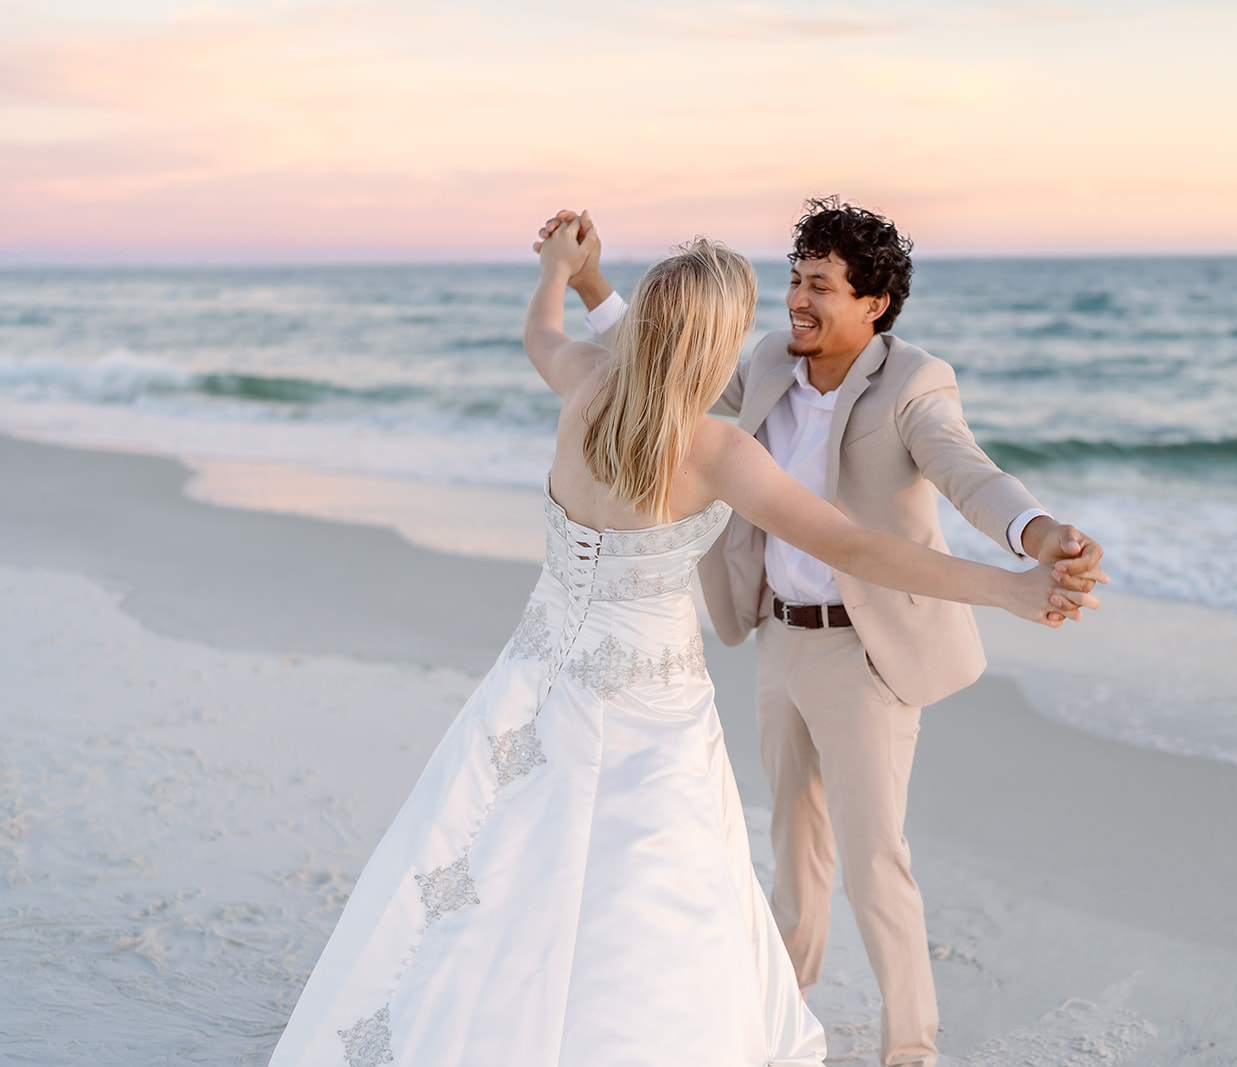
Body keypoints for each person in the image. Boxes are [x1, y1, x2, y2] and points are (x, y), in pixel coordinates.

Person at [268, 221, 1092, 1066]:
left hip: (545, 672)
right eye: (775, 296)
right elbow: (849, 545)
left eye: (817, 285)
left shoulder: (587, 384)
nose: (788, 309)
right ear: (714, 338)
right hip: (669, 697)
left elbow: (540, 336)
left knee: (511, 848)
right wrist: (1012, 593)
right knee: (666, 877)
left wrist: (563, 272)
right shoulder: (715, 448)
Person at [537, 198, 1108, 1067]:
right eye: (795, 280)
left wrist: (1038, 537)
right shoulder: (769, 359)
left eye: (821, 287)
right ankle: (778, 1023)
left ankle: (910, 1047)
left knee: (876, 860)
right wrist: (592, 285)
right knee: (793, 855)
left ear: (874, 302)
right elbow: (658, 370)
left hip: (865, 652)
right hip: (778, 634)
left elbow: (969, 475)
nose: (797, 301)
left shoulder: (914, 383)